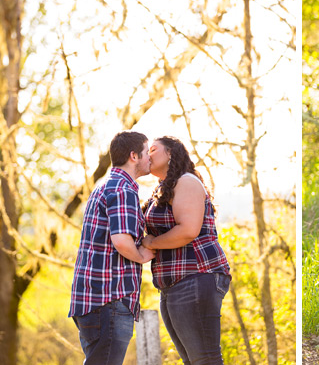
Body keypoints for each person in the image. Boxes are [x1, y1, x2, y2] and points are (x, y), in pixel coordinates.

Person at [140, 136, 231, 364]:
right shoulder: (162, 189)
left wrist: (151, 243)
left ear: (170, 153)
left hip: (196, 276)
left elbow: (188, 230)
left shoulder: (186, 181)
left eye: (152, 149)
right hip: (172, 284)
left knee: (205, 359)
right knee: (193, 361)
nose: (147, 155)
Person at [69, 130, 155, 365]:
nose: (151, 158)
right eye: (148, 152)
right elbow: (121, 240)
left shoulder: (104, 186)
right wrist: (142, 255)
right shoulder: (122, 189)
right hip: (109, 300)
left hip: (93, 300)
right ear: (133, 156)